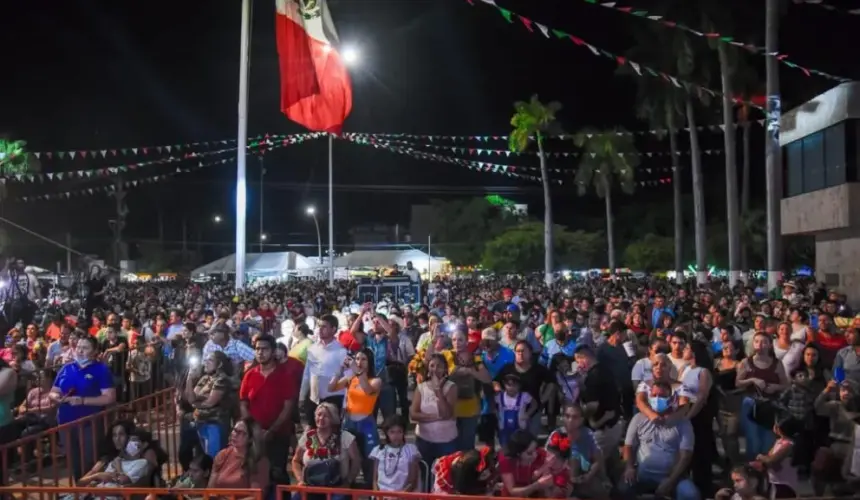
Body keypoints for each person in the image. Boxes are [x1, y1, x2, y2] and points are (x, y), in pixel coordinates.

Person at [49, 335, 116, 480]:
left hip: (89, 423)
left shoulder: (101, 370)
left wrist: (83, 400)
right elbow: (54, 391)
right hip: (65, 422)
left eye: (85, 348)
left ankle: (92, 490)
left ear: (94, 351)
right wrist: (56, 398)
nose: (80, 351)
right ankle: (79, 488)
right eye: (78, 347)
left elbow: (109, 397)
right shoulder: (67, 368)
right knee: (73, 460)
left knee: (89, 459)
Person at [240, 334, 302, 486]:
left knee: (277, 475)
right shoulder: (250, 375)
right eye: (257, 349)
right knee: (254, 473)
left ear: (273, 351)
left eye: (265, 349)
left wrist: (271, 431)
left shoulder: (285, 375)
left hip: (278, 435)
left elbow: (288, 407)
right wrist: (253, 429)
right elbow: (243, 403)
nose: (260, 352)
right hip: (254, 436)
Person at [621, 380, 699, 500]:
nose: (657, 399)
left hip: (671, 477)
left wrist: (670, 481)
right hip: (642, 475)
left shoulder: (683, 423)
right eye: (654, 395)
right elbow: (628, 446)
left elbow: (686, 456)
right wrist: (629, 467)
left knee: (690, 495)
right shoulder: (638, 418)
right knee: (621, 490)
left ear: (671, 398)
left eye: (662, 396)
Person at [328, 347, 381, 484]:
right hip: (349, 421)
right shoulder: (351, 378)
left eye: (363, 359)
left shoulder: (375, 380)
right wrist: (339, 370)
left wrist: (356, 370)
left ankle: (371, 488)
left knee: (370, 458)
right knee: (348, 457)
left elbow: (367, 390)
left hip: (366, 422)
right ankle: (348, 486)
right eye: (357, 358)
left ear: (370, 362)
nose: (359, 362)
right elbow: (331, 388)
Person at [290, 403, 360, 500]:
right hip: (310, 486)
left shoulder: (345, 436)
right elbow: (295, 460)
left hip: (336, 487)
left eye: (326, 416)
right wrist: (300, 480)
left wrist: (348, 482)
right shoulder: (308, 436)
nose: (321, 418)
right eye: (319, 415)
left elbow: (356, 460)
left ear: (333, 419)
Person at [410, 352, 457, 469]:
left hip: (446, 441)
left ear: (445, 369)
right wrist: (435, 417)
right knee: (424, 472)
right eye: (432, 365)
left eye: (439, 366)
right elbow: (413, 415)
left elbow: (446, 413)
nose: (435, 369)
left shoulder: (452, 387)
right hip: (424, 440)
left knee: (444, 473)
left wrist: (437, 390)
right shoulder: (421, 387)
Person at [186, 351, 235, 458]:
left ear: (220, 364)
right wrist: (189, 377)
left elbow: (210, 403)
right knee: (205, 459)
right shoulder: (205, 379)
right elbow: (191, 398)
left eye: (210, 360)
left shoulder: (222, 379)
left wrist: (195, 404)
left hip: (215, 423)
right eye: (206, 360)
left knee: (214, 458)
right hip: (201, 422)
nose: (206, 363)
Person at [208, 417, 270, 490]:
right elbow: (210, 490)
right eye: (234, 430)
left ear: (250, 439)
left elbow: (256, 495)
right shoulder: (222, 454)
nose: (234, 434)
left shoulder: (259, 461)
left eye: (240, 432)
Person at [370, 415, 421, 493]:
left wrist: (399, 497)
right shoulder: (379, 450)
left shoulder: (411, 450)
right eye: (392, 432)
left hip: (403, 495)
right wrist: (378, 496)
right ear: (387, 433)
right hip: (381, 495)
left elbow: (412, 481)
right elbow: (375, 480)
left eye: (399, 432)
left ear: (403, 432)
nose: (396, 436)